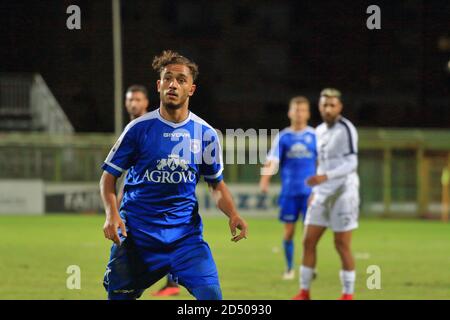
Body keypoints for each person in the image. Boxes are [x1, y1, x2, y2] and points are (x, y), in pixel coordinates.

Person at [100, 50, 248, 300]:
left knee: (212, 297)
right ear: (159, 85)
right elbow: (109, 177)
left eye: (181, 80)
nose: (173, 84)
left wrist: (233, 214)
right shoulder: (138, 129)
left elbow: (216, 185)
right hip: (138, 237)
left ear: (191, 89)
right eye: (168, 78)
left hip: (185, 239)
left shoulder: (206, 134)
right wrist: (112, 214)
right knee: (119, 296)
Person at [293, 88, 359, 300]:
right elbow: (320, 163)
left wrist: (325, 177)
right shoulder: (319, 130)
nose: (328, 109)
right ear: (319, 107)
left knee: (341, 244)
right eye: (324, 105)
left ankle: (348, 294)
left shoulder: (346, 129)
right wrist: (316, 189)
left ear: (339, 107)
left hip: (344, 193)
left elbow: (352, 162)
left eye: (332, 105)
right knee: (307, 241)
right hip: (322, 193)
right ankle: (304, 292)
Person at [119, 84, 181, 297]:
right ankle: (167, 282)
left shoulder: (149, 127)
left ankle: (167, 282)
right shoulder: (133, 126)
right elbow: (128, 169)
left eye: (137, 99)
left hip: (154, 197)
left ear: (146, 102)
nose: (133, 103)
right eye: (129, 99)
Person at [259, 96, 317, 280]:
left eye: (302, 110)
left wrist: (321, 190)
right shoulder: (283, 136)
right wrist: (265, 180)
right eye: (296, 110)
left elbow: (323, 163)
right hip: (290, 193)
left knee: (310, 234)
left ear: (307, 113)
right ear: (290, 112)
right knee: (289, 232)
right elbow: (273, 159)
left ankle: (309, 268)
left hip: (310, 194)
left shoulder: (315, 136)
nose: (299, 113)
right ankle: (290, 268)